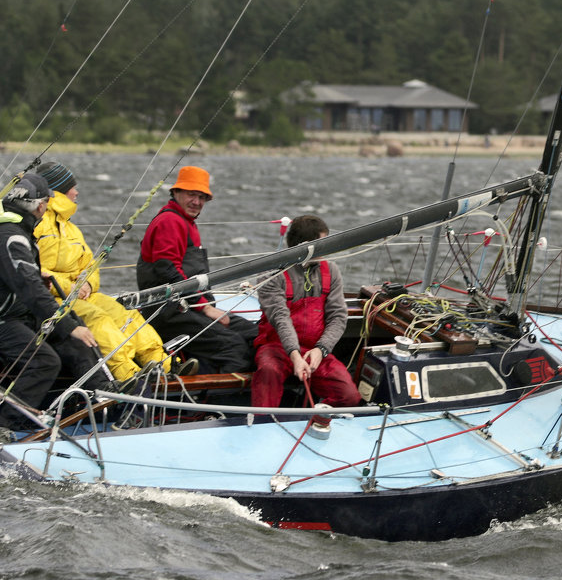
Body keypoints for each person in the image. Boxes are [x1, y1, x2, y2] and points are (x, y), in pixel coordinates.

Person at [0, 172, 112, 444]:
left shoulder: (11, 230)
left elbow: (21, 278)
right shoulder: (11, 238)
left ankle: (105, 395)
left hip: (15, 313)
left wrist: (70, 327)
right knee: (45, 360)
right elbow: (30, 290)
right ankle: (0, 425)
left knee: (73, 331)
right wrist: (69, 327)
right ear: (41, 206)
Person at [33, 160, 176, 382]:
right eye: (73, 187)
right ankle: (128, 374)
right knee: (97, 318)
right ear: (60, 191)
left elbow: (90, 264)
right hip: (54, 298)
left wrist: (89, 283)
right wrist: (69, 286)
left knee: (125, 313)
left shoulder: (70, 228)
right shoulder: (37, 224)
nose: (77, 192)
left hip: (80, 295)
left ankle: (164, 365)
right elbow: (32, 269)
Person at [136, 166, 256, 374]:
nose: (197, 202)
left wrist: (205, 306)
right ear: (176, 193)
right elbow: (168, 272)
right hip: (168, 312)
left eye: (202, 197)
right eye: (192, 195)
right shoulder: (170, 221)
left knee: (255, 332)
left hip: (190, 308)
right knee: (233, 347)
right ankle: (215, 403)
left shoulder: (186, 221)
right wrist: (206, 308)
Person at [252, 215, 360, 411]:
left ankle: (314, 418)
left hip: (315, 351)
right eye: (322, 243)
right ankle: (263, 422)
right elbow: (280, 318)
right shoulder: (271, 275)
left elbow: (338, 317)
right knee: (268, 372)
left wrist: (321, 349)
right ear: (305, 246)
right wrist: (294, 355)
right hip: (277, 349)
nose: (327, 248)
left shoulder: (332, 271)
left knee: (349, 396)